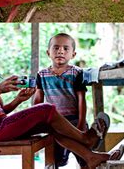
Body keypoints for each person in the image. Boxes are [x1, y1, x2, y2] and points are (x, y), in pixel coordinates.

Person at [0, 33, 124, 169]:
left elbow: (0, 111)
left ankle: (90, 157)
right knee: (46, 109)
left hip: (0, 125)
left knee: (52, 124)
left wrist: (18, 100)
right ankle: (86, 139)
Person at [33, 33, 88, 168]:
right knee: (56, 160)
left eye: (65, 48)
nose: (60, 51)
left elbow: (82, 99)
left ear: (73, 54)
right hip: (54, 123)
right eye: (56, 47)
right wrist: (38, 122)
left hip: (75, 120)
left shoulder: (77, 73)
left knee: (84, 157)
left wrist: (81, 124)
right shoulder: (42, 75)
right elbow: (38, 100)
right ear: (48, 52)